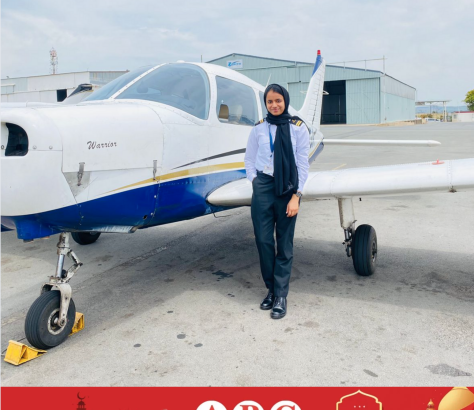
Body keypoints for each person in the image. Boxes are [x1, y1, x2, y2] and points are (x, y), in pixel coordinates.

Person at [244, 84, 310, 319]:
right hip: (263, 185)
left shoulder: (298, 128)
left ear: (286, 101)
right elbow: (249, 159)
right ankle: (271, 289)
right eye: (270, 101)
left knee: (284, 243)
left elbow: (302, 164)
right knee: (263, 241)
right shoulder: (259, 128)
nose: (274, 105)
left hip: (287, 187)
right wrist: (254, 181)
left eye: (278, 101)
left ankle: (281, 295)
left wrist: (296, 196)